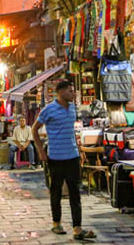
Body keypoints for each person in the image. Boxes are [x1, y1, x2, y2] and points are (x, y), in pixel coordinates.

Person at [32, 80, 96, 241]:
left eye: (73, 90)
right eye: (70, 91)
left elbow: (69, 131)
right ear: (59, 92)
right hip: (55, 157)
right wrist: (41, 151)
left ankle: (77, 228)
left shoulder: (73, 108)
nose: (73, 93)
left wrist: (77, 149)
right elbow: (34, 129)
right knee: (56, 191)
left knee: (75, 193)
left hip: (72, 157)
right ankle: (56, 223)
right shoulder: (49, 110)